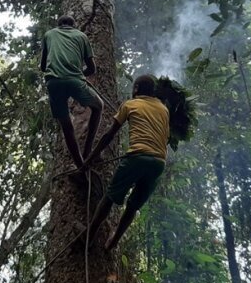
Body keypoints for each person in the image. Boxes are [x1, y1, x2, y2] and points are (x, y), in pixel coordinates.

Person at [83, 74, 169, 250]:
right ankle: (113, 243)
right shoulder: (164, 109)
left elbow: (109, 135)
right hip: (159, 163)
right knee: (133, 206)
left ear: (136, 89)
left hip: (137, 157)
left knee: (110, 197)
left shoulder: (130, 105)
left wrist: (90, 158)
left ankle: (88, 236)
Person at [41, 15, 103, 169]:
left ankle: (79, 164)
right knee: (99, 106)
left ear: (59, 25)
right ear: (73, 25)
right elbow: (92, 68)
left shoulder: (49, 34)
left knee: (66, 126)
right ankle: (88, 151)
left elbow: (43, 66)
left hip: (53, 83)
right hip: (75, 81)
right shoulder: (82, 36)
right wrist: (80, 74)